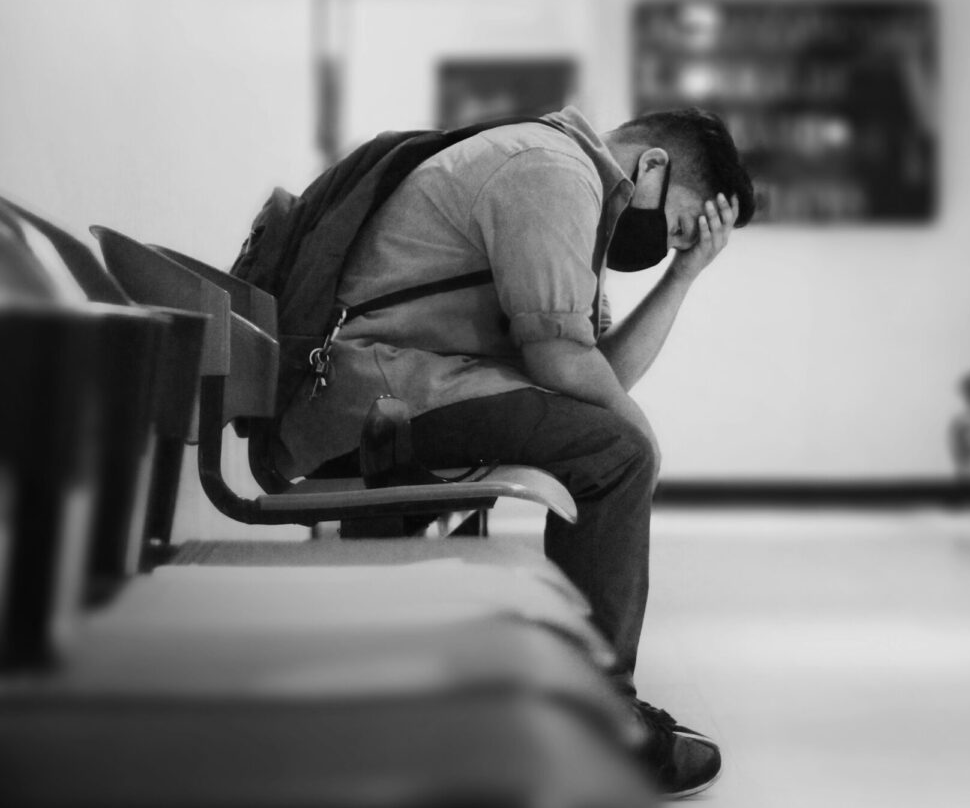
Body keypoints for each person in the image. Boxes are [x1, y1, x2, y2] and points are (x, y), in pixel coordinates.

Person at [276, 105, 755, 798]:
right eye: (679, 224)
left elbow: (596, 379)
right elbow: (565, 364)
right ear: (652, 164)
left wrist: (681, 275)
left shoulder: (569, 186)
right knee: (617, 450)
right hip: (377, 394)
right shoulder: (551, 169)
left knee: (610, 440)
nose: (669, 241)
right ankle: (601, 723)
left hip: (400, 391)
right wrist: (640, 439)